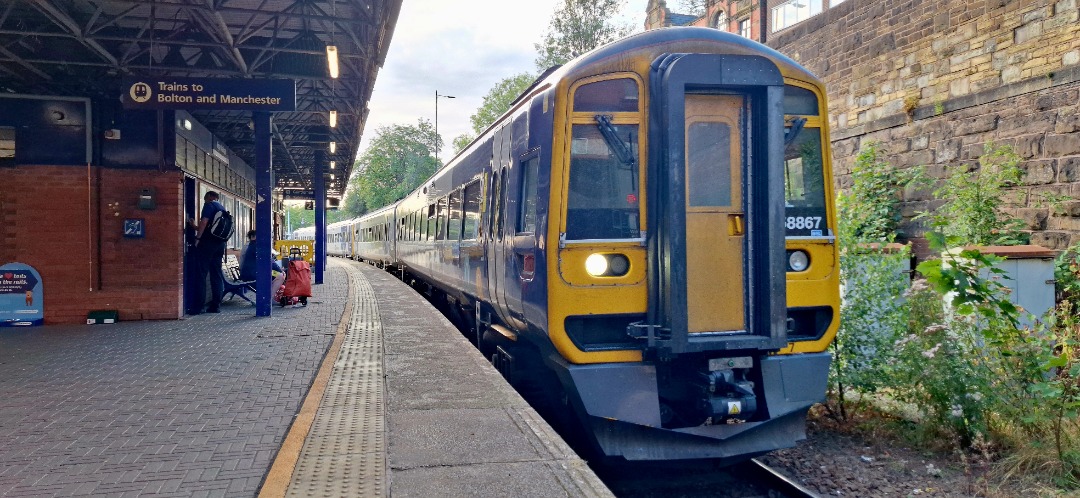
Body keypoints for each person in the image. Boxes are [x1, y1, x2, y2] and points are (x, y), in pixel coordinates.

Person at [192, 191, 228, 313]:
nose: (205, 201)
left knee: (201, 273)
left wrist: (197, 238)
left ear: (209, 197)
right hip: (220, 244)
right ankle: (216, 306)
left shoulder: (209, 206)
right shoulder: (222, 208)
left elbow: (204, 223)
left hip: (208, 243)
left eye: (205, 199)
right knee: (216, 274)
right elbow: (210, 226)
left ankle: (198, 307)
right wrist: (194, 227)